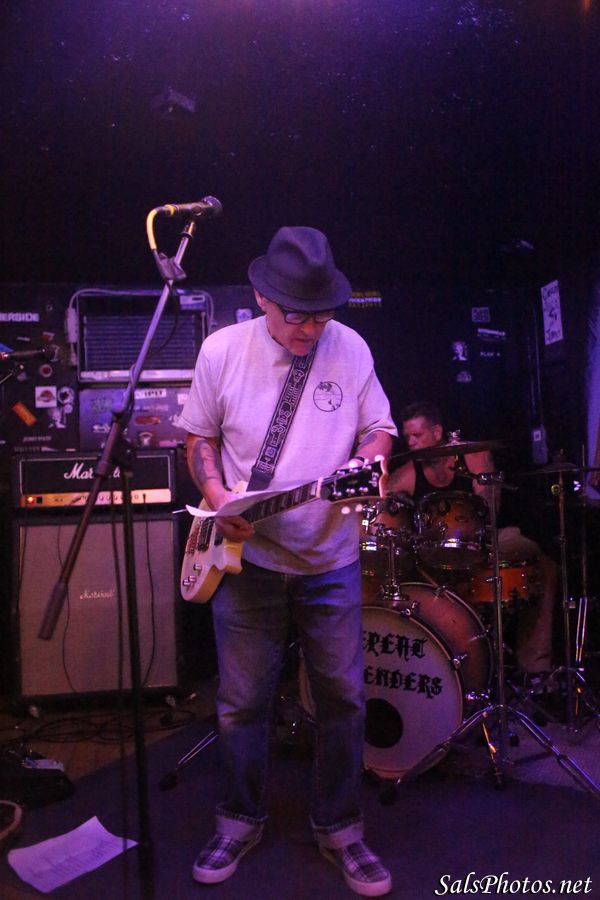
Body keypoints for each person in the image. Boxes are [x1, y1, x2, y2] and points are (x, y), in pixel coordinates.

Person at [178, 226, 397, 896]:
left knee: (344, 700)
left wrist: (372, 460)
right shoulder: (222, 352)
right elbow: (198, 438)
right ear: (262, 298)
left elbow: (378, 428)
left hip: (329, 557)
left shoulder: (350, 347)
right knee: (241, 703)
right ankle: (239, 820)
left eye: (320, 317)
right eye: (295, 316)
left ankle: (341, 829)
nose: (308, 330)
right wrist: (218, 498)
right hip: (247, 558)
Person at [383, 401, 557, 680]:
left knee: (544, 565)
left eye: (418, 435)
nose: (412, 443)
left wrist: (482, 503)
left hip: (485, 541)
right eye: (408, 437)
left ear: (437, 431)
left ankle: (535, 668)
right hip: (434, 555)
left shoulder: (473, 457)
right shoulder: (409, 473)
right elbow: (382, 502)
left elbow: (491, 508)